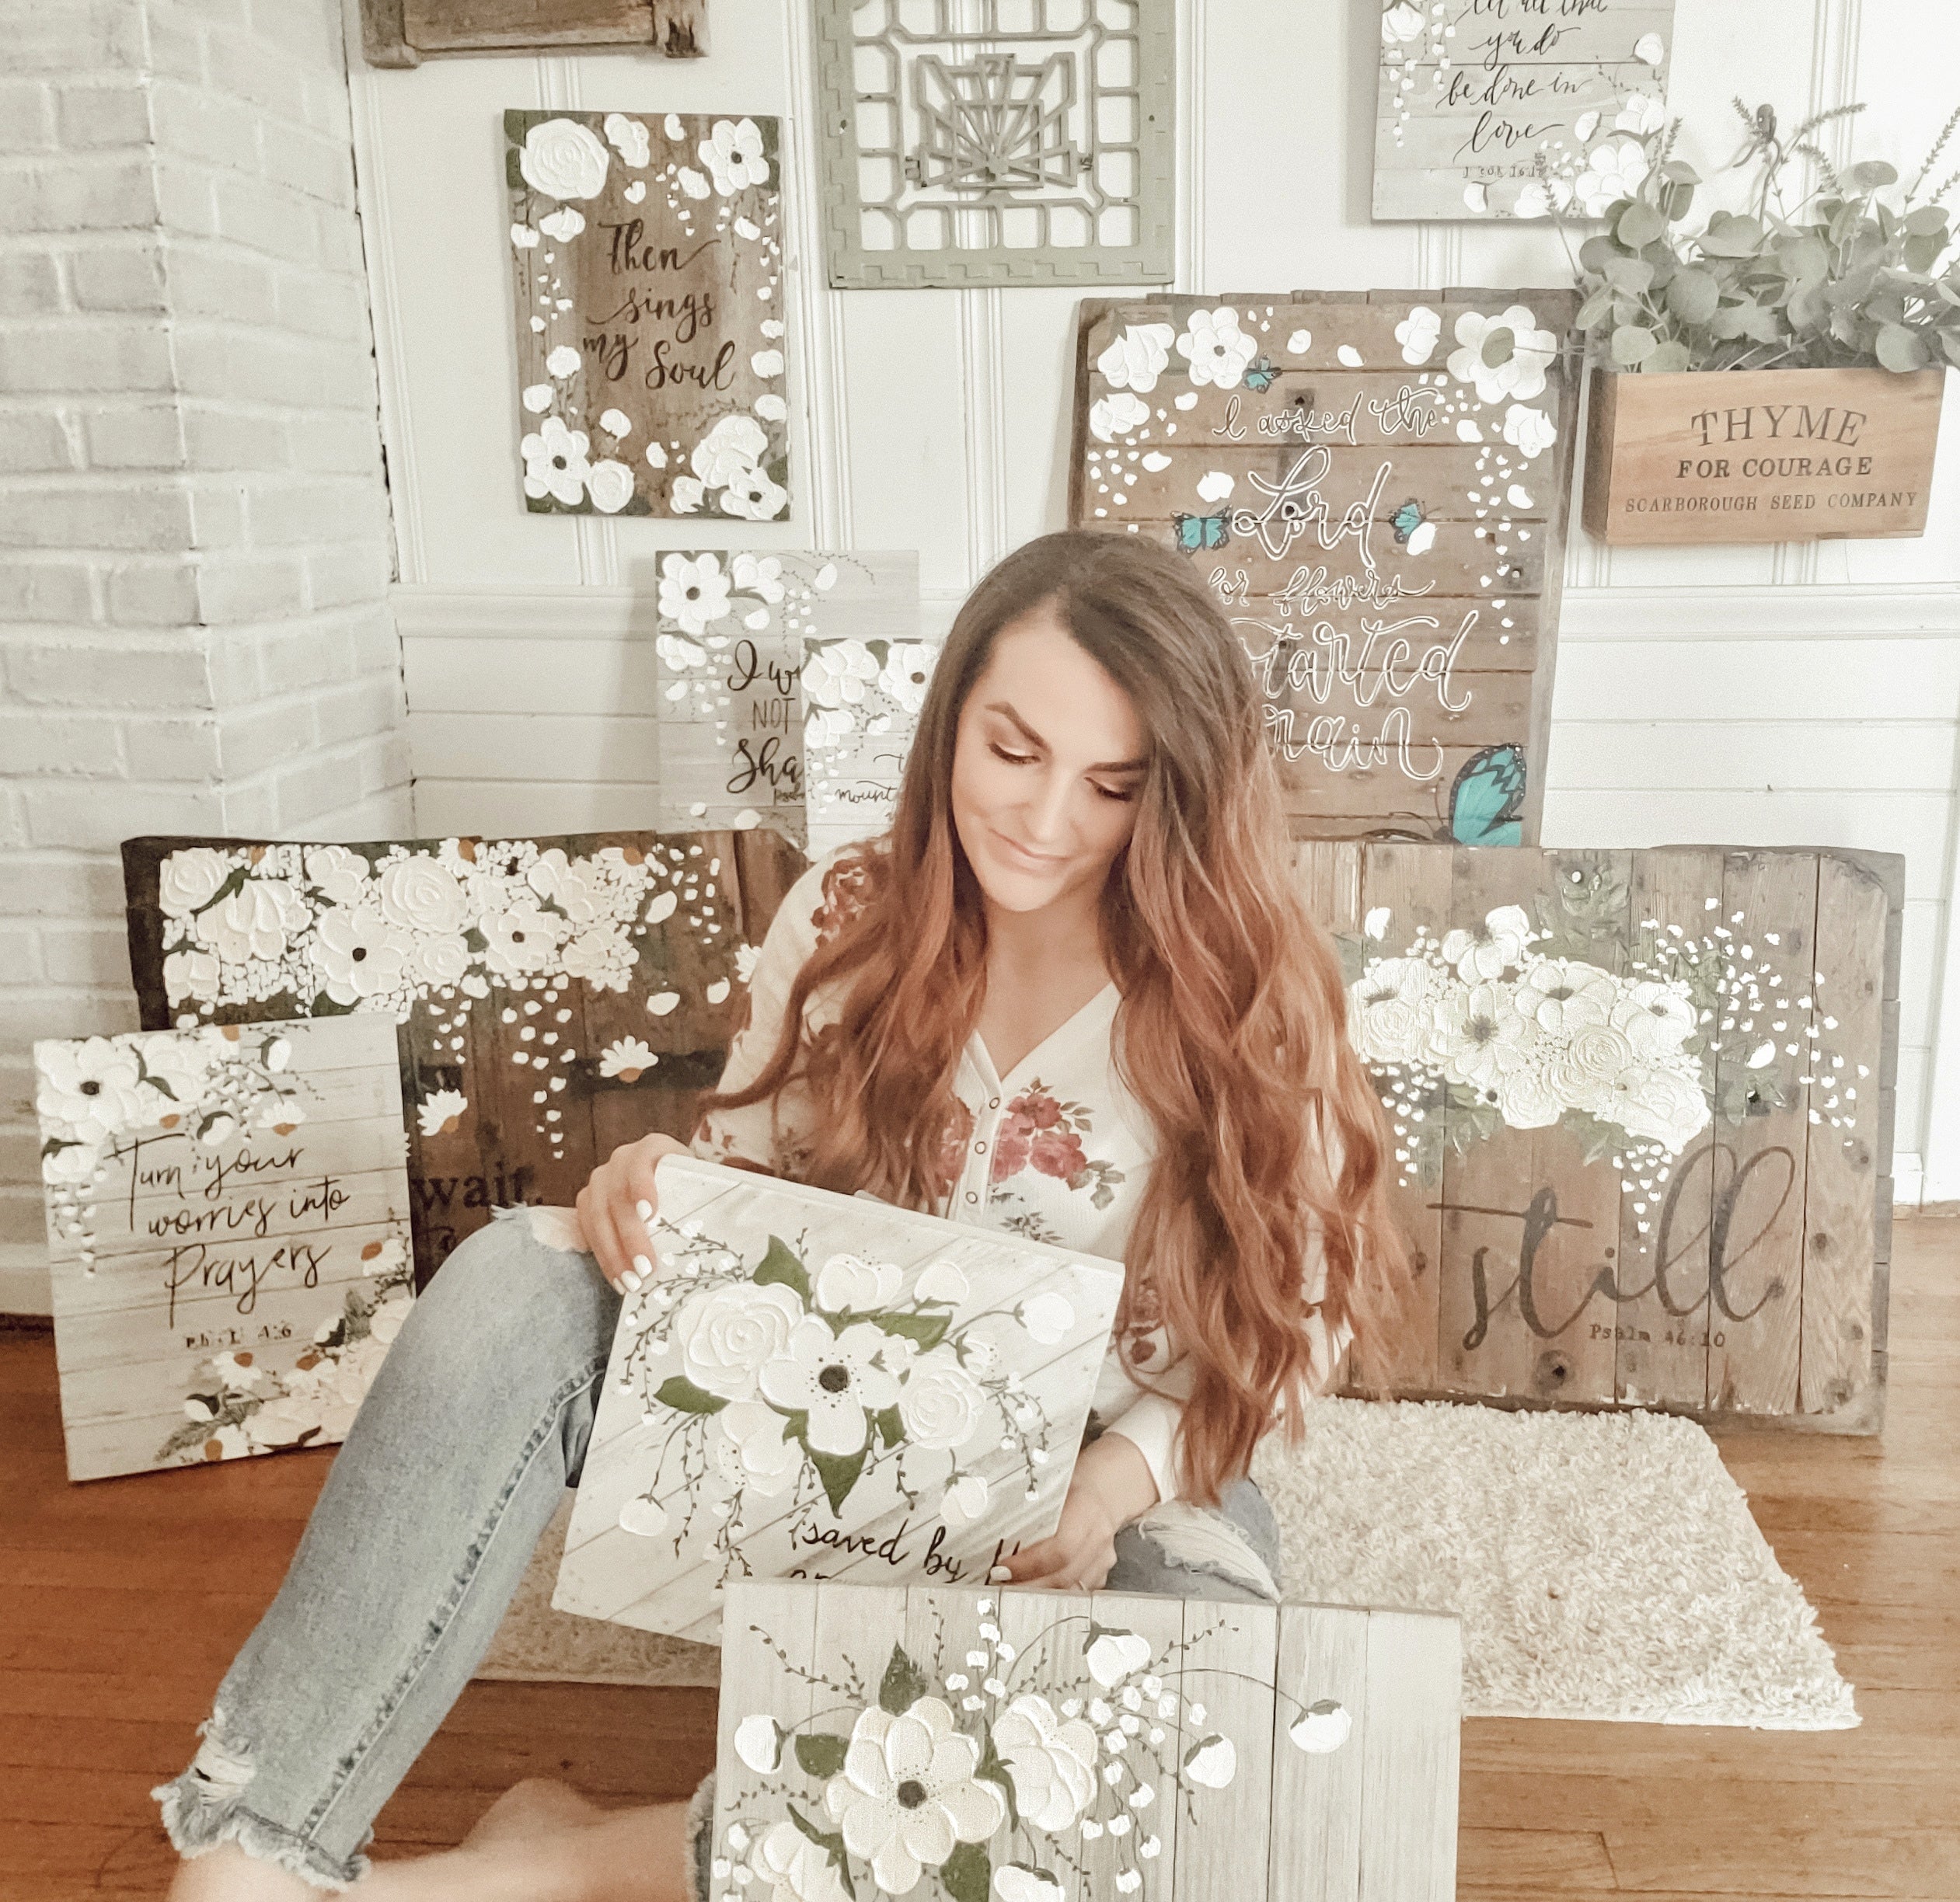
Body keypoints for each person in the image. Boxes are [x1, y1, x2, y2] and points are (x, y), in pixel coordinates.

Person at [158, 530, 1410, 1900]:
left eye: (1111, 785)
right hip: (845, 1444)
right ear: (949, 722)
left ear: (1175, 790)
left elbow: (1298, 1325)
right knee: (520, 1278)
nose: (1047, 819)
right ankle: (249, 1850)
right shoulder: (848, 914)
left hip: (1114, 1486)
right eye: (1012, 751)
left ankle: (543, 1869)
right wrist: (652, 1187)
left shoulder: (1250, 989)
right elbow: (746, 1207)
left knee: (1186, 1775)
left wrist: (1113, 1487)